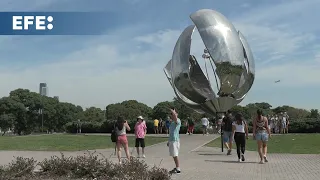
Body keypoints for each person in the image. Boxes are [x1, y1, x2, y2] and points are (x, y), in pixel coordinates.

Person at [167, 107, 181, 174]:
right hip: (172, 140)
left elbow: (175, 117)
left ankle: (178, 168)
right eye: (171, 114)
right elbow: (171, 132)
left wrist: (173, 111)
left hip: (175, 140)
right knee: (173, 154)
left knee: (175, 154)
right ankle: (176, 167)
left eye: (173, 114)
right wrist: (168, 141)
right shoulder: (172, 122)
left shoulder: (177, 121)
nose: (172, 115)